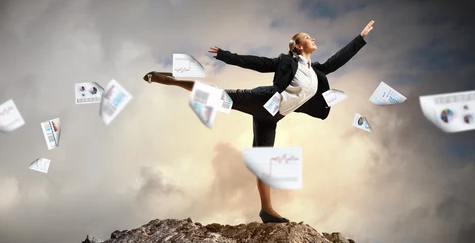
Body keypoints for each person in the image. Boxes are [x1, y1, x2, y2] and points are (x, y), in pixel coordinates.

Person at [143, 21, 374, 224]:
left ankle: (266, 210)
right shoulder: (286, 61)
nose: (312, 38)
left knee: (263, 159)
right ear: (297, 46)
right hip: (264, 100)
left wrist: (360, 38)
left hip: (274, 115)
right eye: (306, 37)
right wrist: (226, 56)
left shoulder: (317, 72)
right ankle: (173, 81)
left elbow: (338, 60)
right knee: (219, 97)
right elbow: (258, 62)